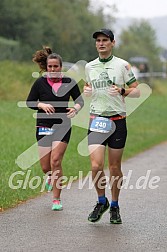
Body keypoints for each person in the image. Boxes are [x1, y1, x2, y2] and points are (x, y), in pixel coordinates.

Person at [83, 29, 140, 224]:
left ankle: (115, 205)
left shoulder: (122, 65)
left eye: (105, 40)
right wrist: (87, 90)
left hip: (117, 121)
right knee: (96, 165)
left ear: (112, 43)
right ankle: (101, 201)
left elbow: (137, 91)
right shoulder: (89, 66)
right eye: (98, 40)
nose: (101, 43)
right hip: (97, 120)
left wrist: (123, 90)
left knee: (114, 167)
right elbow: (88, 89)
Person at [26, 46, 84, 211]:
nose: (53, 69)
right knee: (46, 167)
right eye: (50, 66)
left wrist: (76, 108)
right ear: (47, 67)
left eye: (56, 66)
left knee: (56, 161)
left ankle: (56, 199)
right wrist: (41, 104)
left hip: (63, 125)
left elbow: (80, 101)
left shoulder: (69, 82)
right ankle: (49, 177)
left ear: (61, 67)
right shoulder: (40, 82)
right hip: (43, 125)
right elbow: (30, 102)